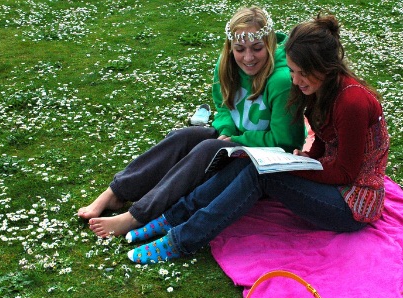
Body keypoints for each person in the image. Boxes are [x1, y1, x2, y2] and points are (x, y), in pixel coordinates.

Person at [126, 13, 390, 264]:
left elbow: (345, 173)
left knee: (264, 173)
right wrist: (307, 159)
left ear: (324, 67)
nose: (295, 81)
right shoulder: (320, 86)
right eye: (292, 71)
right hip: (330, 184)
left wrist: (297, 170)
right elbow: (323, 138)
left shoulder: (352, 101)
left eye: (301, 73)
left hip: (353, 204)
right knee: (251, 161)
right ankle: (172, 217)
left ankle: (181, 241)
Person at [78, 6, 305, 238]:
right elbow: (224, 107)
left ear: (268, 44)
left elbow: (285, 141)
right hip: (235, 141)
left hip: (264, 161)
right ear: (230, 48)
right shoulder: (227, 65)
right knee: (185, 136)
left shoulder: (281, 81)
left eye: (257, 48)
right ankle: (116, 192)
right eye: (240, 49)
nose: (248, 57)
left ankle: (137, 215)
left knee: (209, 147)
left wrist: (236, 139)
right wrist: (226, 129)